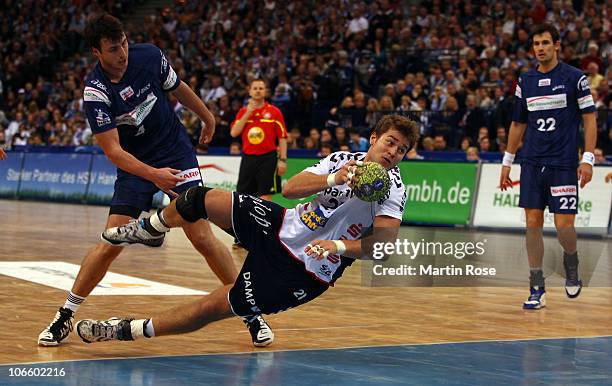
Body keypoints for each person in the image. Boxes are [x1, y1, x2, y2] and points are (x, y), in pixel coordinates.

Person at [37, 13, 273, 348]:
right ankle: (64, 315)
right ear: (96, 53)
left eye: (123, 43)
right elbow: (114, 153)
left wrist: (206, 115)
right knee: (110, 242)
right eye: (113, 48)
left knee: (202, 237)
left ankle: (250, 312)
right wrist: (153, 176)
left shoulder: (149, 56)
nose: (122, 52)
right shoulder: (96, 92)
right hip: (135, 165)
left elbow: (178, 88)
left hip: (176, 154)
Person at [74, 115, 418, 345]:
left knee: (212, 308)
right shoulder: (343, 159)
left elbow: (382, 246)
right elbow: (291, 189)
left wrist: (338, 247)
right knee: (199, 198)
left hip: (304, 272)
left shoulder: (394, 190)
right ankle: (152, 227)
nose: (394, 152)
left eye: (401, 149)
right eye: (390, 142)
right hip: (282, 226)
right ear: (373, 138)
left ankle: (126, 330)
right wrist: (333, 178)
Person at [499, 24, 597, 310]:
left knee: (564, 226)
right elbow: (518, 124)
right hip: (531, 162)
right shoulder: (525, 81)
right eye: (535, 44)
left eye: (545, 43)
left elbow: (590, 119)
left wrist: (587, 159)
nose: (539, 48)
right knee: (532, 224)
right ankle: (536, 286)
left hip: (564, 163)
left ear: (556, 45)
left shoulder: (575, 78)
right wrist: (507, 161)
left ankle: (571, 261)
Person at [230, 79, 287, 202]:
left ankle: (264, 221)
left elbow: (282, 138)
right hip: (248, 158)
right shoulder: (242, 112)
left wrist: (282, 160)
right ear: (249, 91)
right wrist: (248, 113)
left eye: (261, 88)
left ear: (265, 92)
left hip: (268, 158)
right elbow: (234, 132)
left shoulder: (275, 112)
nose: (258, 91)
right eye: (255, 88)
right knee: (243, 196)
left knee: (265, 196)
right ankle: (246, 221)